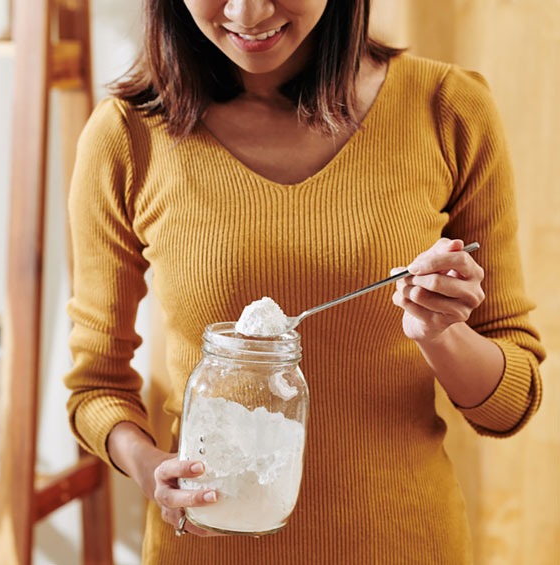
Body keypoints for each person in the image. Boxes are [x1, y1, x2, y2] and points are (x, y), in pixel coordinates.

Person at [63, 0, 545, 563]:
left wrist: (441, 334)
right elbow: (96, 386)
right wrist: (152, 473)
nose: (248, 11)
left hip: (404, 544)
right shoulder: (125, 135)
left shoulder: (448, 109)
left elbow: (508, 407)